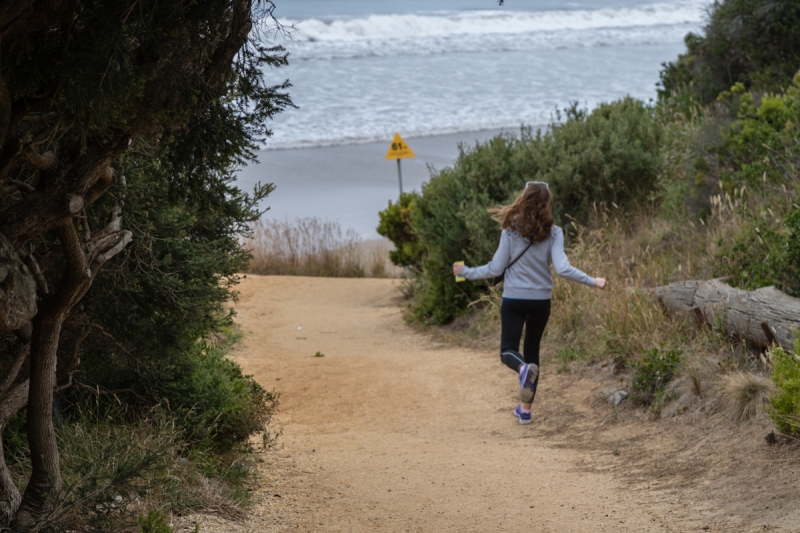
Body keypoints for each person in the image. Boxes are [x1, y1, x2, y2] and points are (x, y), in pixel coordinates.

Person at [452, 182, 606, 425]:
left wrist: (466, 271)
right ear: (546, 204)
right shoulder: (554, 232)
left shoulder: (510, 230)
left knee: (508, 352)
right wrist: (592, 281)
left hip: (514, 299)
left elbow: (495, 269)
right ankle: (525, 410)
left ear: (523, 199)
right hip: (541, 302)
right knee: (532, 353)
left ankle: (523, 371)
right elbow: (563, 269)